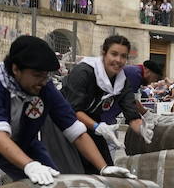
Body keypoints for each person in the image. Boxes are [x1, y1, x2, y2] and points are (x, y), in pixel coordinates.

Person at [0, 35, 135, 188]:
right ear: (16, 69)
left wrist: (103, 168)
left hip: (23, 143)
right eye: (37, 75)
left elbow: (75, 130)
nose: (44, 81)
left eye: (46, 76)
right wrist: (30, 165)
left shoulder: (43, 86)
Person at [57, 35, 152, 171]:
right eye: (114, 54)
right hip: (64, 121)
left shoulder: (122, 81)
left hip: (92, 123)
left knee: (106, 167)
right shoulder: (84, 71)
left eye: (123, 56)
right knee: (72, 167)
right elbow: (73, 109)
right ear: (104, 54)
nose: (118, 60)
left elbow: (131, 113)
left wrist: (142, 129)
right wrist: (97, 126)